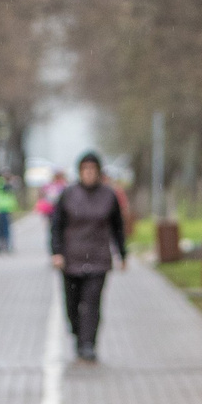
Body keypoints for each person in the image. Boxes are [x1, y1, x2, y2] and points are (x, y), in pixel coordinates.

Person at [50, 150, 127, 362]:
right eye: (85, 169)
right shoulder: (68, 194)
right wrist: (57, 252)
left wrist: (122, 254)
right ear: (80, 171)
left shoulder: (108, 196)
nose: (89, 173)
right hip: (71, 259)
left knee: (92, 304)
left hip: (98, 259)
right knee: (72, 305)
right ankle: (77, 332)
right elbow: (56, 225)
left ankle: (88, 344)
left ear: (99, 172)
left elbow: (118, 227)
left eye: (93, 169)